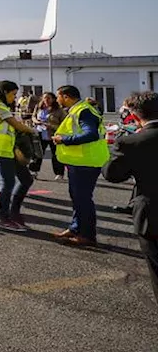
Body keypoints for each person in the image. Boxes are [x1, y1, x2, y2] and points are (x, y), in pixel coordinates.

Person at [102, 91, 158, 352]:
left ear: (135, 114)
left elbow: (113, 174)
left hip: (154, 218)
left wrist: (115, 145)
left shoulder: (133, 141)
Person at [52, 84, 109, 246]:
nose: (58, 100)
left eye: (59, 96)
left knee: (83, 199)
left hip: (86, 161)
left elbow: (90, 134)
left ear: (66, 96)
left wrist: (63, 139)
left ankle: (88, 235)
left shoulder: (83, 110)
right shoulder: (78, 109)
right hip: (80, 160)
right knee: (77, 198)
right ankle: (76, 228)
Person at [0, 81, 38, 232]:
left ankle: (14, 213)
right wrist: (34, 131)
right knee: (8, 184)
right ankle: (5, 218)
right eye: (13, 94)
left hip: (8, 149)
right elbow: (16, 124)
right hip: (0, 150)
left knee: (26, 179)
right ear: (5, 92)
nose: (15, 97)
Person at [32, 92, 66, 181]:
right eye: (44, 98)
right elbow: (33, 116)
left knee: (56, 155)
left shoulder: (59, 110)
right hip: (40, 133)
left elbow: (64, 125)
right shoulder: (39, 107)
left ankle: (59, 173)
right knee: (38, 153)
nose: (46, 100)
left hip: (53, 135)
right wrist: (36, 121)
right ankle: (33, 171)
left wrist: (51, 126)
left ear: (53, 99)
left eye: (48, 98)